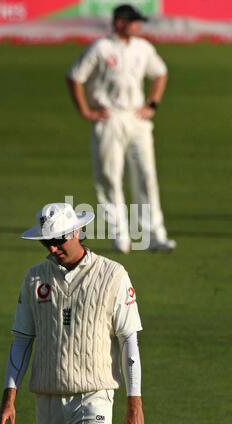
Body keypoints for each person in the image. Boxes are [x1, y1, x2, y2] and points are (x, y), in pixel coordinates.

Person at [0, 202, 144, 424]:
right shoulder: (34, 278)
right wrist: (8, 399)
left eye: (58, 240)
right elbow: (22, 339)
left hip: (94, 396)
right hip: (48, 400)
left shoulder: (113, 275)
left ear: (76, 232)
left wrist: (134, 403)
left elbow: (128, 339)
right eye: (46, 242)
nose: (53, 248)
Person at [66, 3, 176, 253]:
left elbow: (160, 73)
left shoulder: (143, 47)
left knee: (146, 175)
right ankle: (121, 236)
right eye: (134, 21)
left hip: (137, 117)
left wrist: (152, 104)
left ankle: (155, 235)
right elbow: (75, 76)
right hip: (109, 117)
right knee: (109, 176)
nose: (138, 26)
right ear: (119, 23)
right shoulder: (101, 48)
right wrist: (85, 111)